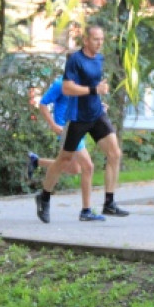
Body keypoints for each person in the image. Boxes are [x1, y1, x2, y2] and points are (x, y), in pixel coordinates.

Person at [35, 25, 127, 223]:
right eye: (95, 39)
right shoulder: (75, 60)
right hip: (77, 118)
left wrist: (98, 99)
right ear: (86, 40)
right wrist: (95, 90)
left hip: (96, 115)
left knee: (114, 153)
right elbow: (68, 89)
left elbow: (93, 87)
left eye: (102, 39)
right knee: (64, 160)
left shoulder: (99, 59)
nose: (99, 43)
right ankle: (44, 196)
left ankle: (108, 203)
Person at [26, 77, 98, 203]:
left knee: (74, 169)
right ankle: (87, 209)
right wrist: (53, 125)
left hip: (79, 128)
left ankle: (36, 161)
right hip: (66, 130)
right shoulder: (61, 84)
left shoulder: (83, 83)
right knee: (88, 166)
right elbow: (43, 104)